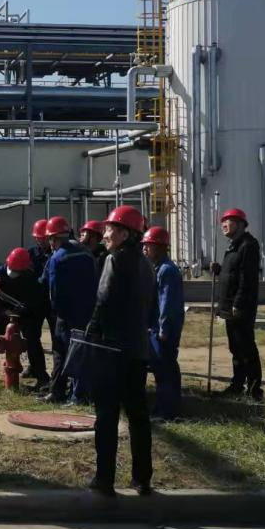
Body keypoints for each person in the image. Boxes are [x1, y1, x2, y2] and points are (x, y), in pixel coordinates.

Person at [83, 205, 155, 496]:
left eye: (110, 229)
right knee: (138, 416)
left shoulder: (114, 261)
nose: (105, 234)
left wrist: (92, 332)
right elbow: (151, 308)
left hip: (112, 351)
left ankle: (104, 479)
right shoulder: (147, 265)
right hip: (137, 350)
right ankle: (142, 479)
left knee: (107, 416)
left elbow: (103, 300)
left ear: (125, 234)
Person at [39, 215, 97, 403]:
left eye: (50, 239)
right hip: (87, 312)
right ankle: (79, 393)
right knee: (80, 351)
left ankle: (57, 392)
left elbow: (53, 290)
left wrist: (56, 311)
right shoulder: (87, 253)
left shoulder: (57, 258)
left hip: (66, 314)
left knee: (60, 352)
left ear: (54, 238)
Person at [0, 247, 45, 382]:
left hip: (25, 314)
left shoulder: (31, 278)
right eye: (11, 268)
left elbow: (34, 302)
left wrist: (20, 312)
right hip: (3, 311)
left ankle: (41, 377)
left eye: (16, 271)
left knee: (32, 341)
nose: (12, 272)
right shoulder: (0, 272)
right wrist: (0, 310)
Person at [213, 208, 263, 400]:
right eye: (223, 222)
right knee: (236, 348)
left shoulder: (248, 245)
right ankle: (237, 385)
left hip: (240, 307)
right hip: (229, 305)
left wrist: (239, 303)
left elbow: (246, 277)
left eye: (228, 221)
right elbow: (232, 273)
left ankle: (254, 390)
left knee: (246, 348)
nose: (223, 225)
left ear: (241, 224)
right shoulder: (233, 246)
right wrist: (219, 270)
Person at [142, 225, 184, 421]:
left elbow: (167, 303)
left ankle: (167, 411)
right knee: (162, 369)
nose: (144, 249)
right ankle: (163, 407)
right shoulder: (159, 268)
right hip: (158, 327)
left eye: (148, 245)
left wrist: (164, 329)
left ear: (159, 247)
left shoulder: (167, 271)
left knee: (165, 369)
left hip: (164, 329)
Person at [22, 219, 54, 390]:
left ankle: (59, 375)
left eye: (43, 238)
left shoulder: (57, 253)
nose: (40, 241)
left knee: (58, 340)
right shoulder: (31, 253)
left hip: (52, 303)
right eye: (38, 238)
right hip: (35, 303)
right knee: (32, 337)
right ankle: (36, 369)